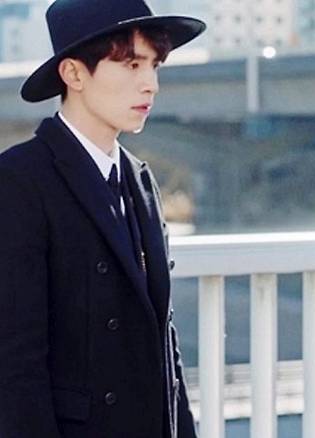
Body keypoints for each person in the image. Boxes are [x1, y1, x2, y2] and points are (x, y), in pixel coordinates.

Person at [0, 0, 205, 436]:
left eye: (154, 66)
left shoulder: (141, 179)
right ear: (74, 74)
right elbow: (16, 366)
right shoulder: (19, 179)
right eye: (131, 65)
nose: (150, 84)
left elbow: (164, 345)